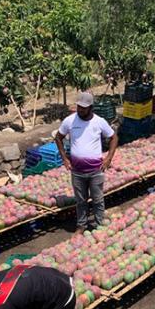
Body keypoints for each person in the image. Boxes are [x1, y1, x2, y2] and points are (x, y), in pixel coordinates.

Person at [55, 92, 118, 235]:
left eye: (84, 108)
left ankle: (99, 224)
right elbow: (58, 138)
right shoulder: (70, 121)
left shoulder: (99, 121)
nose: (80, 110)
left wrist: (109, 158)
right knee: (81, 200)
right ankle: (81, 225)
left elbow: (114, 137)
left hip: (96, 170)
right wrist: (65, 158)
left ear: (91, 107)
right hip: (77, 171)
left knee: (97, 199)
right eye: (79, 107)